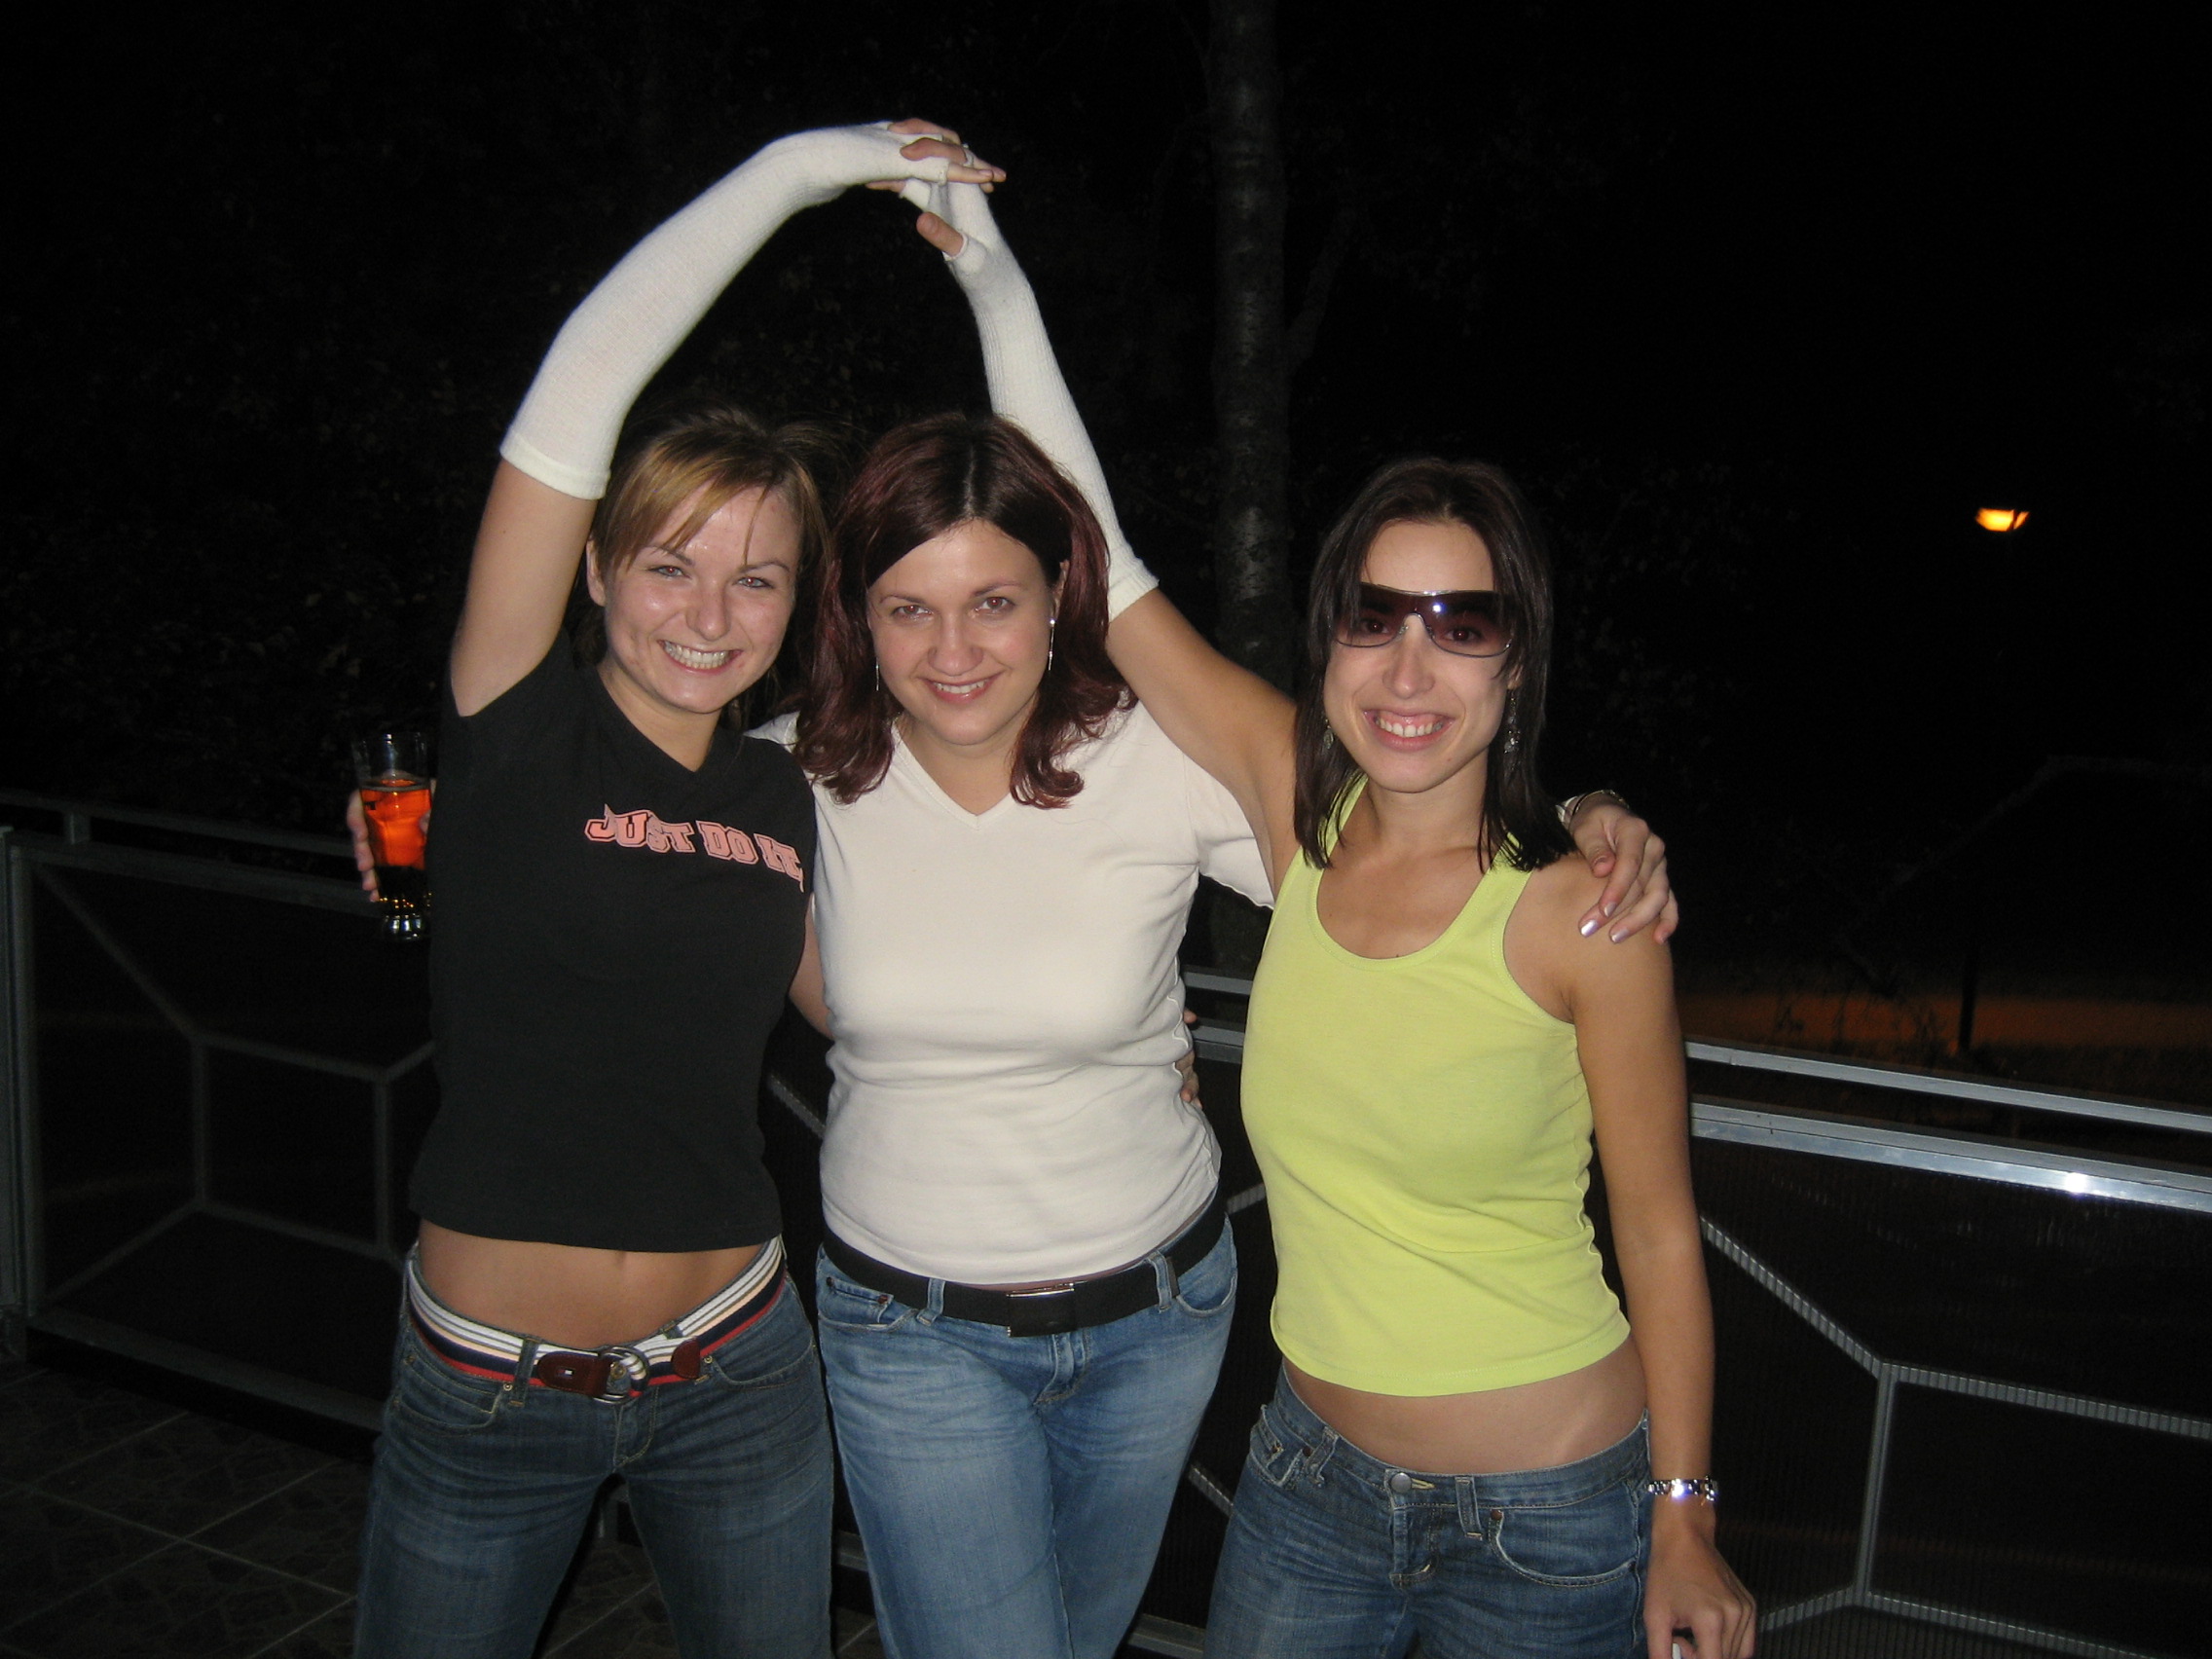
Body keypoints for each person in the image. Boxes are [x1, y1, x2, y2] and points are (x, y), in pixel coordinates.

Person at [753, 162, 1676, 1659]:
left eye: (997, 601)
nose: (955, 647)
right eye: (908, 607)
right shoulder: (793, 775)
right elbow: (635, 809)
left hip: (1190, 1331)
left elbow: (1407, 814)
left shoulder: (1168, 764)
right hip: (964, 1339)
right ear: (857, 619)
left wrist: (1586, 817)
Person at [349, 122, 1002, 1659]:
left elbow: (883, 1007)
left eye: (757, 577)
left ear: (796, 605)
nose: (710, 614)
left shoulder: (788, 791)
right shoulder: (518, 724)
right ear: (594, 569)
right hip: (491, 1382)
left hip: (741, 1367)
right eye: (669, 564)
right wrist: (802, 169)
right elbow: (580, 383)